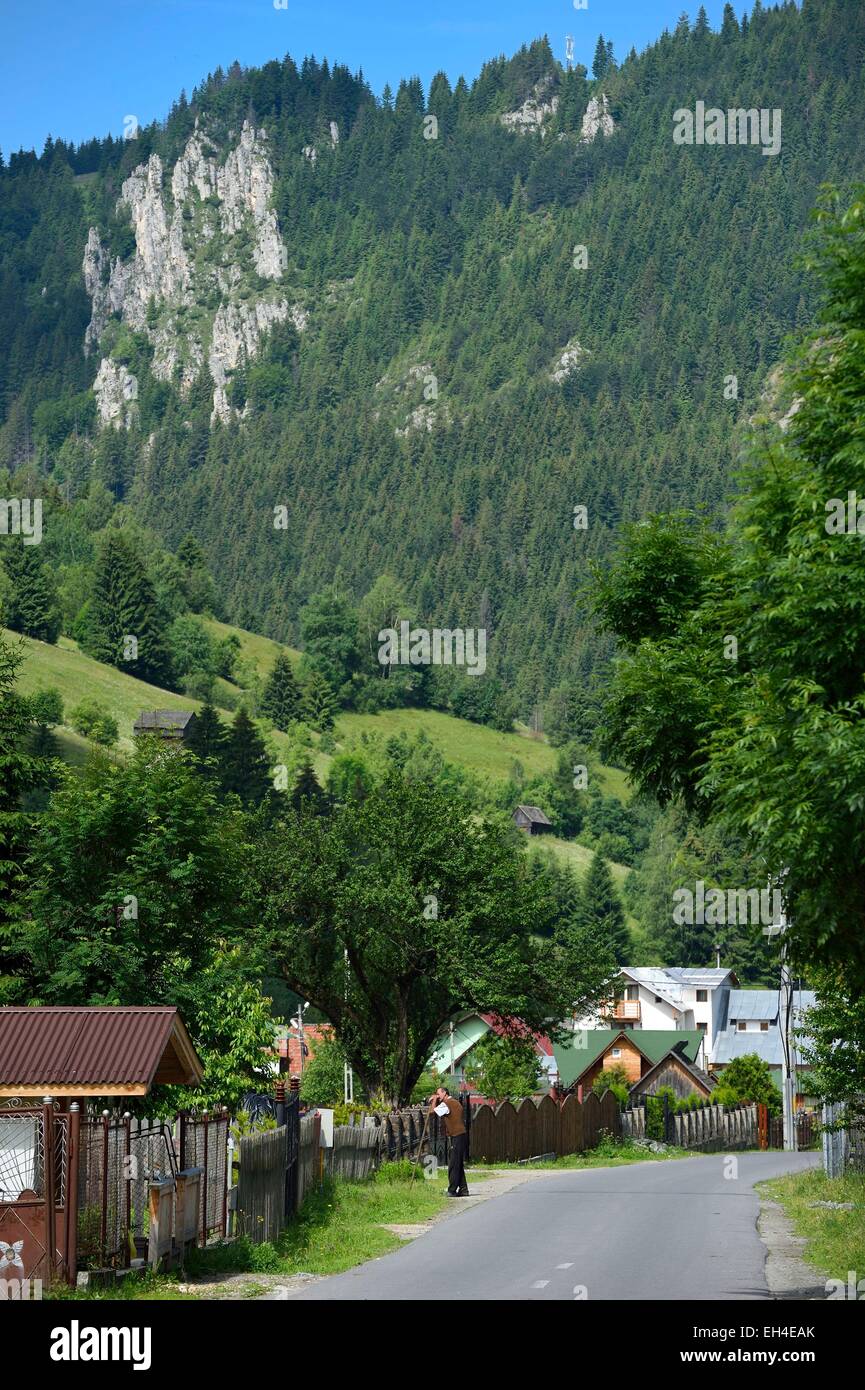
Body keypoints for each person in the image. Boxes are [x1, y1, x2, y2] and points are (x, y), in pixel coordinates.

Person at [429, 1085, 469, 1197]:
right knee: (458, 1163)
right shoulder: (456, 1102)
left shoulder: (446, 1104)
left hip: (456, 1136)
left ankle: (452, 1190)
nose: (438, 1095)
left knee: (453, 1164)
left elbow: (432, 1113)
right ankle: (464, 1189)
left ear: (445, 1093)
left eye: (439, 1094)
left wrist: (434, 1100)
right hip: (462, 1135)